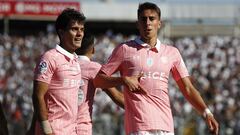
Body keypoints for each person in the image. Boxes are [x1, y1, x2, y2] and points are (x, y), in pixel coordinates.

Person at [93, 2, 219, 135]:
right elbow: (98, 80)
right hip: (138, 127)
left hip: (165, 127)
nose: (147, 22)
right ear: (138, 24)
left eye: (152, 19)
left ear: (159, 23)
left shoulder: (172, 52)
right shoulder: (124, 49)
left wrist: (207, 112)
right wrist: (123, 80)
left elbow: (188, 88)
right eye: (143, 19)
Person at [31, 8, 85, 135]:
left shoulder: (76, 60)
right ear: (61, 32)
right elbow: (38, 95)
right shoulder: (49, 57)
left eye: (82, 29)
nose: (79, 34)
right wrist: (46, 129)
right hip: (53, 131)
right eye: (74, 29)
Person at [75, 32, 124, 135]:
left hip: (58, 125)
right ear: (93, 49)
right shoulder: (93, 68)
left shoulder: (61, 63)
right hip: (80, 127)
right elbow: (117, 97)